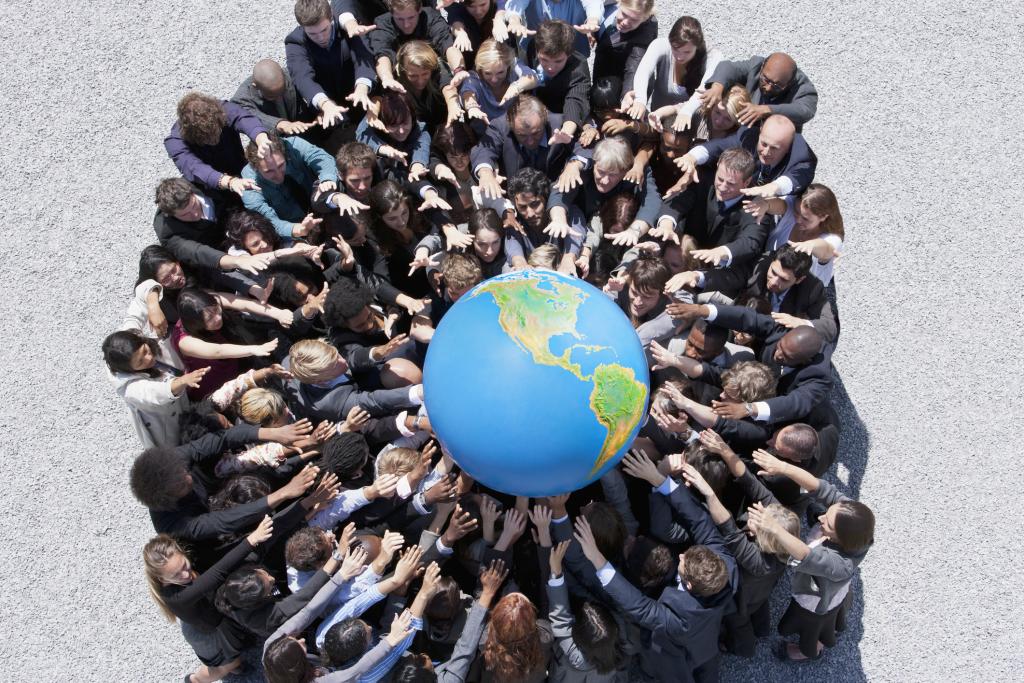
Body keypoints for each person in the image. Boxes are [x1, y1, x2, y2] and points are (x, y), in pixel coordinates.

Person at [748, 449, 874, 661]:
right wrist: (782, 467)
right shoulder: (855, 521)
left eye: (828, 523)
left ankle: (811, 651)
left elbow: (806, 555)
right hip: (832, 587)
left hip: (816, 599)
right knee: (834, 615)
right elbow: (821, 488)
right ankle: (829, 631)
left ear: (840, 538)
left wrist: (774, 528)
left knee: (812, 627)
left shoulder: (841, 564)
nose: (822, 517)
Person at [143, 519, 274, 683]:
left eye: (184, 565)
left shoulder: (182, 578)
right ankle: (195, 680)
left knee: (237, 650)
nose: (185, 574)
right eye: (176, 575)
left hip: (210, 617)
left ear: (183, 553)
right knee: (228, 665)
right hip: (208, 634)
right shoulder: (179, 598)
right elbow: (219, 571)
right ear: (162, 580)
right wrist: (252, 540)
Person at [668, 301, 834, 425]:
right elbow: (747, 318)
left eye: (786, 356)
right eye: (779, 347)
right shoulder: (783, 330)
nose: (777, 355)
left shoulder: (819, 376)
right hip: (753, 383)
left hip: (775, 414)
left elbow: (796, 403)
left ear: (805, 360)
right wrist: (701, 310)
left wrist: (750, 409)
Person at [658, 147, 772, 294]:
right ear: (717, 166)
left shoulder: (756, 206)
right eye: (720, 179)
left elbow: (751, 241)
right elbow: (678, 201)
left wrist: (723, 252)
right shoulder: (702, 179)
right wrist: (666, 225)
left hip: (718, 283)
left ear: (747, 182)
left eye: (731, 184)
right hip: (683, 264)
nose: (723, 187)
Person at [284, 0, 376, 150]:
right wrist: (325, 105)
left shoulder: (349, 26)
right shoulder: (294, 42)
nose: (320, 37)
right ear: (302, 28)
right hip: (328, 112)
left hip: (360, 99)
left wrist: (362, 88)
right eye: (312, 34)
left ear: (331, 18)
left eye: (324, 30)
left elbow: (363, 57)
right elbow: (302, 78)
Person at [103, 330, 207, 449]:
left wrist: (154, 310)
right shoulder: (130, 389)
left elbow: (135, 315)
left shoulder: (124, 344)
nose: (149, 358)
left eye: (145, 351)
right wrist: (183, 381)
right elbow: (155, 392)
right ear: (129, 369)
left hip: (184, 409)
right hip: (168, 432)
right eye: (140, 362)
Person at [674, 114, 818, 199]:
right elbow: (717, 147)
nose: (766, 152)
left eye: (774, 148)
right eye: (764, 144)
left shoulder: (802, 154)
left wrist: (775, 187)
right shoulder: (748, 137)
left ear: (789, 146)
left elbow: (798, 177)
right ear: (760, 132)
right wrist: (692, 157)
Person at [470, 95, 588, 196]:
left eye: (536, 133)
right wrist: (485, 173)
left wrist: (574, 165)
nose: (530, 141)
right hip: (517, 202)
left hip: (556, 196)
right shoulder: (500, 126)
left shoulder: (559, 124)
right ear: (510, 125)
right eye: (522, 135)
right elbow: (484, 149)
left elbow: (584, 145)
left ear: (545, 118)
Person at [164, 92, 273, 199]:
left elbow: (243, 118)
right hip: (210, 189)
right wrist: (230, 182)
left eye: (216, 133)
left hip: (239, 167)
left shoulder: (222, 110)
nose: (214, 140)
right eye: (206, 138)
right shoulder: (175, 142)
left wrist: (261, 139)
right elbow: (193, 167)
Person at [624, 16, 723, 129]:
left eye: (687, 52)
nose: (680, 57)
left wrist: (687, 111)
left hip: (690, 125)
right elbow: (644, 71)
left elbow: (705, 87)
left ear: (697, 47)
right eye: (675, 49)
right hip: (657, 120)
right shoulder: (661, 45)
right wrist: (640, 99)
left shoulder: (712, 56)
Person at [240, 132, 343, 239]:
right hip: (292, 230)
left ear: (285, 154)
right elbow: (267, 220)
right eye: (269, 172)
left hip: (320, 205)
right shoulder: (249, 181)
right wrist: (297, 229)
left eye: (281, 166)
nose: (279, 176)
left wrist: (327, 179)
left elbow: (322, 159)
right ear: (256, 169)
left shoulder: (293, 146)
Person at [747, 182, 845, 286]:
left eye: (806, 218)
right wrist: (764, 204)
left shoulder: (833, 238)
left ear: (823, 217)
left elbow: (826, 250)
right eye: (796, 212)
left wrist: (811, 245)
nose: (798, 219)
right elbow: (777, 204)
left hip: (802, 296)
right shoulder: (794, 209)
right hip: (765, 279)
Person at [703, 52, 818, 131]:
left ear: (790, 82)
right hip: (741, 134)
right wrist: (717, 86)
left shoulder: (803, 88)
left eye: (777, 86)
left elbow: (805, 111)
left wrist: (767, 110)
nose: (768, 88)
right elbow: (728, 67)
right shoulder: (756, 65)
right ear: (763, 67)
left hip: (775, 145)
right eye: (765, 80)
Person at [368, 0, 466, 90]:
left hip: (433, 73)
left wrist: (459, 70)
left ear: (419, 10)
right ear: (391, 13)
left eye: (411, 17)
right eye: (400, 19)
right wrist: (387, 78)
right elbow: (382, 54)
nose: (406, 24)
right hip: (400, 77)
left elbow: (448, 45)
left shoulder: (431, 17)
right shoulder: (383, 23)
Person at [504, 167, 585, 273]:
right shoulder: (516, 219)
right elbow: (512, 242)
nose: (530, 214)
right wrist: (520, 263)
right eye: (523, 207)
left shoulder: (566, 212)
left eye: (535, 204)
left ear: (546, 198)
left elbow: (576, 230)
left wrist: (568, 259)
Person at [522, 20, 592, 138]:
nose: (550, 67)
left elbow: (575, 101)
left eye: (558, 61)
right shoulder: (532, 49)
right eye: (544, 59)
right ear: (538, 51)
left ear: (568, 55)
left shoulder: (579, 67)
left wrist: (566, 132)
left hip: (561, 116)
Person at [458, 38, 539, 123]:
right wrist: (472, 107)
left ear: (508, 66)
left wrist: (516, 87)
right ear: (480, 69)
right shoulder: (473, 77)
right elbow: (468, 92)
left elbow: (533, 78)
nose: (494, 79)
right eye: (488, 73)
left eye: (500, 72)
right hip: (488, 132)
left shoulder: (513, 66)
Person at [231, 59, 317, 136]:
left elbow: (310, 88)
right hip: (277, 143)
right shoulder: (242, 99)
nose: (279, 98)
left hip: (308, 132)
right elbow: (249, 118)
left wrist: (320, 108)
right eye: (272, 96)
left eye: (282, 92)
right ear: (256, 87)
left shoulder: (291, 74)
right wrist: (280, 124)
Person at [503, 0, 603, 58]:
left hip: (574, 51)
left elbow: (593, 4)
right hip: (538, 53)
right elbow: (516, 5)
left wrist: (593, 20)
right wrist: (514, 21)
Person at [592, 0, 657, 87]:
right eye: (624, 14)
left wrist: (628, 94)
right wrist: (590, 21)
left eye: (634, 20)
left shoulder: (646, 31)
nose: (625, 22)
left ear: (644, 19)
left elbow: (634, 65)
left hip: (630, 69)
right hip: (606, 55)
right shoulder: (604, 4)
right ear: (619, 3)